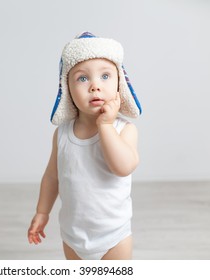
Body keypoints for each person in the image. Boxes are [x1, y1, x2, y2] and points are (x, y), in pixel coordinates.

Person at [27, 32, 142, 260]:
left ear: (120, 84)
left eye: (106, 76)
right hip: (73, 236)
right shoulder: (62, 133)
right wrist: (42, 211)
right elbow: (52, 177)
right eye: (82, 78)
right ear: (67, 89)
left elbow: (124, 167)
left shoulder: (124, 130)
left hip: (113, 237)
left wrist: (106, 125)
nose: (95, 86)